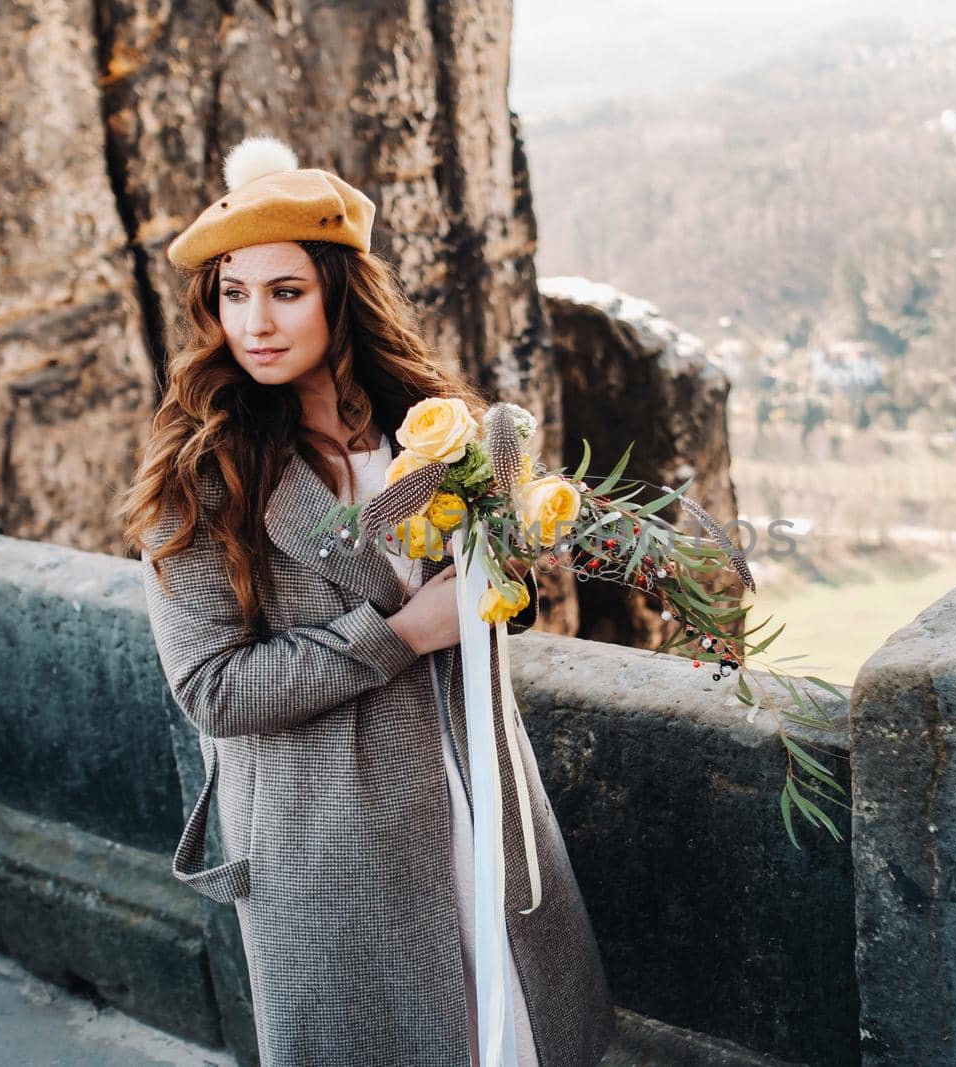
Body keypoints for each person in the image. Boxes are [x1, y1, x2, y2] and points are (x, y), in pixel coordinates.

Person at [118, 135, 616, 1067]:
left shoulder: (432, 430)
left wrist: (509, 565)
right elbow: (213, 690)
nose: (255, 323)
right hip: (335, 838)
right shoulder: (201, 478)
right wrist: (395, 633)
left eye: (286, 291)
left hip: (479, 797)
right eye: (234, 294)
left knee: (517, 1035)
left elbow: (492, 601)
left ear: (340, 294)